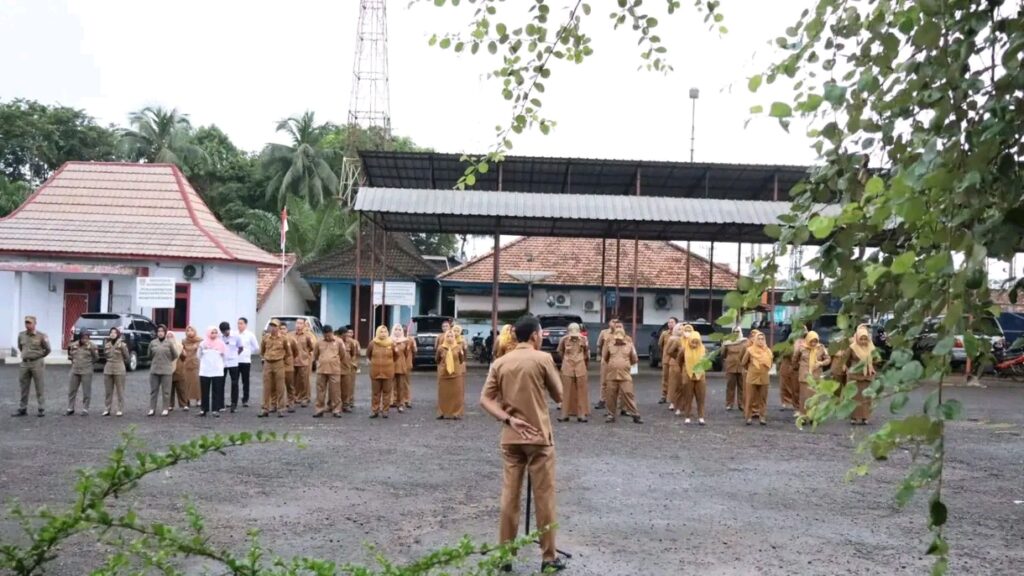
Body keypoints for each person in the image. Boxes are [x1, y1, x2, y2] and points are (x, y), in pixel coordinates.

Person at [480, 315, 566, 574]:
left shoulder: (500, 362)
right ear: (534, 336)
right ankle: (548, 557)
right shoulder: (543, 359)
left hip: (510, 437)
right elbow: (559, 394)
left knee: (509, 496)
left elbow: (485, 399)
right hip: (539, 437)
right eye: (540, 333)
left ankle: (505, 554)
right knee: (544, 497)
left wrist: (508, 419)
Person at [602, 327, 642, 424]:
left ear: (624, 337)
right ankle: (611, 415)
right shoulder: (609, 344)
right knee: (610, 396)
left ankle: (635, 414)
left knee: (628, 394)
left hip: (625, 375)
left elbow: (634, 359)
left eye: (620, 337)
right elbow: (605, 357)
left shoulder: (629, 345)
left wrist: (625, 365)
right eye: (617, 336)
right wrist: (614, 365)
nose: (618, 339)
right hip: (612, 375)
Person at [14, 315, 50, 417]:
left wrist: (38, 357)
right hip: (24, 363)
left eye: (29, 323)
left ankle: (41, 408)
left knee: (39, 386)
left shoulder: (41, 335)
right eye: (26, 322)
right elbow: (20, 347)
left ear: (35, 324)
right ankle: (22, 408)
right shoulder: (21, 335)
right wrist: (26, 355)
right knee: (24, 387)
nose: (27, 324)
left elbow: (48, 349)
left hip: (37, 363)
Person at [556, 323, 590, 423]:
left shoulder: (583, 339)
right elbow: (560, 351)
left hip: (580, 367)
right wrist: (566, 360)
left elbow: (586, 352)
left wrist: (581, 360)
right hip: (567, 367)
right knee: (565, 392)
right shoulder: (563, 339)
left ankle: (581, 414)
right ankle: (564, 414)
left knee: (581, 391)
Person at [313, 325, 349, 418]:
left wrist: (334, 361)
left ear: (332, 333)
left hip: (334, 370)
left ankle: (336, 410)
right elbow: (316, 355)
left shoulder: (339, 341)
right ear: (323, 334)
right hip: (321, 370)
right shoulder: (319, 342)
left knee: (335, 391)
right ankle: (319, 409)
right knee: (320, 391)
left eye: (329, 335)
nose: (328, 337)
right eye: (326, 335)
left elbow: (342, 354)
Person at [794, 330, 831, 418]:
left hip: (816, 376)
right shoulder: (801, 348)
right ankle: (803, 415)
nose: (813, 343)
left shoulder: (821, 348)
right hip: (804, 375)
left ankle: (813, 416)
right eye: (812, 341)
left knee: (815, 396)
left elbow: (828, 359)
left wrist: (820, 363)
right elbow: (795, 359)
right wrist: (797, 367)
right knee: (804, 397)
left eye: (815, 341)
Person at [741, 330, 774, 425]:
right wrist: (751, 369)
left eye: (762, 339)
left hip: (764, 377)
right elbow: (743, 362)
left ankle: (762, 417)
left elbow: (770, 364)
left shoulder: (768, 351)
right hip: (751, 377)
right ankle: (748, 417)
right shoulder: (750, 350)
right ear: (755, 340)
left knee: (763, 399)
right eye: (758, 339)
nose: (760, 340)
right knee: (750, 398)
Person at [847, 324, 877, 425]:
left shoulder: (871, 347)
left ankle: (865, 417)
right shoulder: (852, 347)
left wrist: (872, 366)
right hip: (855, 376)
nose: (864, 341)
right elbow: (846, 360)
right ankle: (854, 417)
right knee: (854, 397)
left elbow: (877, 359)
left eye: (865, 339)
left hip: (867, 376)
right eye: (861, 339)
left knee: (866, 397)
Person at [258, 320, 289, 418]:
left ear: (279, 327)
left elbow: (288, 352)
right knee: (267, 387)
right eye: (271, 326)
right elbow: (262, 350)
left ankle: (281, 409)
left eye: (275, 326)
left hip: (279, 363)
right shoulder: (266, 338)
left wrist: (282, 359)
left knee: (280, 387)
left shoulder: (283, 339)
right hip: (268, 363)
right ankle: (265, 408)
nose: (272, 328)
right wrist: (266, 358)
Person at [367, 325, 398, 418]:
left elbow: (396, 356)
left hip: (388, 372)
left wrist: (388, 363)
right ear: (377, 332)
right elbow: (369, 355)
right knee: (375, 393)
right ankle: (374, 410)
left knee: (387, 392)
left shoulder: (391, 343)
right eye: (381, 331)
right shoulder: (372, 343)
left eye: (385, 332)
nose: (383, 334)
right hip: (375, 372)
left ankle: (385, 411)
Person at [148, 324, 178, 417]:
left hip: (166, 370)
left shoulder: (169, 343)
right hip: (154, 370)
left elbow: (175, 355)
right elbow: (149, 355)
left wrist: (167, 362)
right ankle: (152, 408)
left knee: (166, 391)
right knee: (154, 391)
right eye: (158, 331)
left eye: (162, 331)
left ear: (165, 332)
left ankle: (165, 408)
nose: (160, 333)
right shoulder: (153, 343)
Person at [679, 332, 708, 425]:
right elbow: (679, 360)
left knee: (701, 397)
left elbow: (707, 361)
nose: (694, 344)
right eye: (693, 342)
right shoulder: (684, 349)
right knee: (688, 396)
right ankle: (687, 416)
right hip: (688, 375)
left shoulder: (704, 349)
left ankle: (701, 417)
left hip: (700, 375)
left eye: (697, 342)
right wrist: (684, 369)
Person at [436, 330, 466, 419]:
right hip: (444, 374)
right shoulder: (441, 348)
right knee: (443, 395)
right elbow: (437, 359)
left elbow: (461, 360)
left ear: (454, 337)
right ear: (445, 337)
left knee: (456, 395)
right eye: (448, 336)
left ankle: (456, 413)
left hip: (456, 374)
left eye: (451, 336)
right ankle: (441, 412)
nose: (449, 338)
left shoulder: (458, 348)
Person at [66, 332, 98, 416]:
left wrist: (89, 363)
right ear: (80, 338)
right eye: (83, 338)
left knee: (86, 391)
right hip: (75, 370)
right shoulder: (74, 345)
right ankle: (70, 408)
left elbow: (96, 358)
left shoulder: (92, 346)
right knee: (72, 390)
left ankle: (85, 409)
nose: (85, 340)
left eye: (87, 338)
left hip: (86, 370)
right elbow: (70, 356)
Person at [198, 326, 227, 417]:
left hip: (217, 370)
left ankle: (215, 409)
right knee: (204, 391)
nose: (214, 334)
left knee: (216, 390)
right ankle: (204, 409)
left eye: (215, 332)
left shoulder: (221, 344)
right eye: (212, 332)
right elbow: (198, 355)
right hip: (205, 370)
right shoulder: (203, 344)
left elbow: (225, 356)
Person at [102, 327, 129, 417]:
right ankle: (107, 408)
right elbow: (105, 356)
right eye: (111, 332)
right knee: (108, 391)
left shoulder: (122, 345)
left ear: (118, 334)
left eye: (114, 332)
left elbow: (127, 356)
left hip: (119, 369)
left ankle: (120, 409)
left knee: (120, 391)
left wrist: (120, 362)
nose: (112, 334)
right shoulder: (107, 344)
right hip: (108, 369)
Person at [594, 318, 620, 411]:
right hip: (605, 360)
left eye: (617, 322)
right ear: (609, 323)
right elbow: (599, 345)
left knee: (617, 381)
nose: (615, 323)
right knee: (603, 381)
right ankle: (602, 400)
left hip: (616, 361)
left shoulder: (621, 333)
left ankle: (615, 401)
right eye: (613, 321)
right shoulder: (604, 332)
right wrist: (599, 355)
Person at [722, 326, 748, 411]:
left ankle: (742, 404)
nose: (736, 333)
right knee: (730, 386)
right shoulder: (727, 342)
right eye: (734, 331)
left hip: (742, 366)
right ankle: (729, 404)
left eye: (737, 331)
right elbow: (723, 354)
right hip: (730, 366)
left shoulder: (745, 341)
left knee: (742, 386)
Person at [219, 321, 243, 413]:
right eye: (223, 332)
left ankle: (234, 404)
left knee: (234, 383)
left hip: (233, 362)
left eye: (226, 331)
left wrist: (235, 355)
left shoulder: (236, 336)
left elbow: (241, 347)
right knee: (221, 382)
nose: (225, 333)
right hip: (223, 362)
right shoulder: (220, 337)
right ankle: (220, 404)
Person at [293, 318, 316, 408]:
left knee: (304, 381)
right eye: (297, 323)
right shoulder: (291, 335)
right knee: (294, 381)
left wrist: (305, 354)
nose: (298, 325)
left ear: (304, 325)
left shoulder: (308, 335)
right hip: (293, 361)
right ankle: (295, 397)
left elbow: (312, 347)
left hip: (304, 361)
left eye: (300, 323)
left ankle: (306, 398)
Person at [176, 326, 202, 410]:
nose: (189, 332)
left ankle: (198, 399)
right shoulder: (184, 341)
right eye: (188, 330)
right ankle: (186, 400)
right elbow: (182, 351)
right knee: (186, 382)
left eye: (191, 330)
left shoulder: (199, 340)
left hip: (195, 362)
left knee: (196, 382)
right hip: (186, 363)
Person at [237, 317, 260, 408]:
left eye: (241, 323)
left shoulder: (250, 335)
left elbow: (256, 347)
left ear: (245, 324)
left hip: (245, 360)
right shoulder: (235, 334)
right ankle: (233, 400)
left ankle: (245, 399)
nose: (239, 325)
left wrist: (249, 352)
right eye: (238, 323)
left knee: (245, 381)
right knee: (234, 381)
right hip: (236, 361)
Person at [391, 325, 415, 412]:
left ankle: (401, 403)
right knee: (390, 384)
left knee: (401, 385)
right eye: (396, 329)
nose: (397, 331)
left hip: (401, 364)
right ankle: (392, 400)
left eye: (399, 329)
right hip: (391, 364)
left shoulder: (406, 341)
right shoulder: (389, 340)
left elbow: (407, 354)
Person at [664, 324, 686, 412]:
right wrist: (677, 356)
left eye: (683, 329)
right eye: (679, 329)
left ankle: (682, 403)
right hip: (675, 363)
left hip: (685, 364)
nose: (681, 330)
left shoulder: (686, 340)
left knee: (683, 384)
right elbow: (668, 351)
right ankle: (673, 402)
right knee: (674, 384)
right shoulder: (673, 339)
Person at [657, 317, 678, 404]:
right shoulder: (664, 334)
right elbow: (660, 344)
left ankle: (674, 397)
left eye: (672, 322)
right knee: (665, 378)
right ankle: (664, 396)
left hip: (676, 360)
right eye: (669, 322)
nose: (670, 324)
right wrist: (666, 353)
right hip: (666, 359)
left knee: (675, 379)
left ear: (676, 324)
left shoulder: (679, 334)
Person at [340, 326, 360, 412]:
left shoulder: (353, 342)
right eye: (347, 333)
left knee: (349, 386)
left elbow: (355, 354)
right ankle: (335, 404)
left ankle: (348, 402)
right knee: (336, 387)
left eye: (350, 333)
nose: (348, 335)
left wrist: (353, 364)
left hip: (349, 367)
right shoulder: (337, 341)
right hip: (338, 367)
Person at [279, 324, 298, 412]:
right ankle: (276, 404)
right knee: (277, 386)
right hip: (278, 366)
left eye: (284, 328)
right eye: (281, 329)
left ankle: (291, 403)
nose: (282, 330)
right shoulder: (276, 339)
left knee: (290, 386)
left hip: (288, 366)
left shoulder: (291, 339)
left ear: (287, 330)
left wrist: (290, 360)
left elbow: (296, 352)